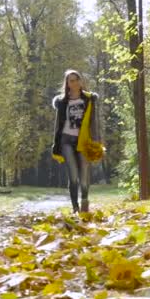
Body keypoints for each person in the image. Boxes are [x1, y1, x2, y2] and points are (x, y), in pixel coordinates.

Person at [51, 69, 102, 213]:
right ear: (67, 83)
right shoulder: (61, 102)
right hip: (66, 140)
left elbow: (93, 122)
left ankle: (84, 201)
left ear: (81, 81)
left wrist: (96, 141)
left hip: (84, 141)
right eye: (71, 80)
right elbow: (58, 124)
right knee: (73, 176)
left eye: (76, 79)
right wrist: (56, 143)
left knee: (84, 176)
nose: (74, 83)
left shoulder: (89, 99)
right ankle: (75, 207)